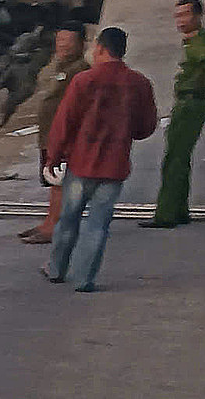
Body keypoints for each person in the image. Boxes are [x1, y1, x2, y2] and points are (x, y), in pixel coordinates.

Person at [42, 26, 157, 292]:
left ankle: (57, 269)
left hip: (81, 163)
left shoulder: (84, 80)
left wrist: (53, 155)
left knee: (69, 219)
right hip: (114, 166)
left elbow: (64, 122)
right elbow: (146, 126)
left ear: (101, 49)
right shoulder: (139, 83)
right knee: (98, 225)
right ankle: (85, 279)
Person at [141, 0, 205, 228]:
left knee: (174, 159)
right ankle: (179, 210)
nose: (180, 21)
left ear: (197, 16)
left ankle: (165, 215)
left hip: (190, 103)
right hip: (190, 101)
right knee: (181, 157)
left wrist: (204, 84)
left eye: (185, 15)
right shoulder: (193, 40)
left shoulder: (198, 40)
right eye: (177, 16)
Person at [20, 22, 90, 244]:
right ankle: (49, 221)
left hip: (63, 135)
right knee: (52, 180)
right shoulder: (58, 66)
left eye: (68, 42)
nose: (63, 46)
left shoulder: (79, 70)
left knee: (60, 181)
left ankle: (56, 226)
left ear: (81, 44)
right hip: (49, 133)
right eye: (60, 41)